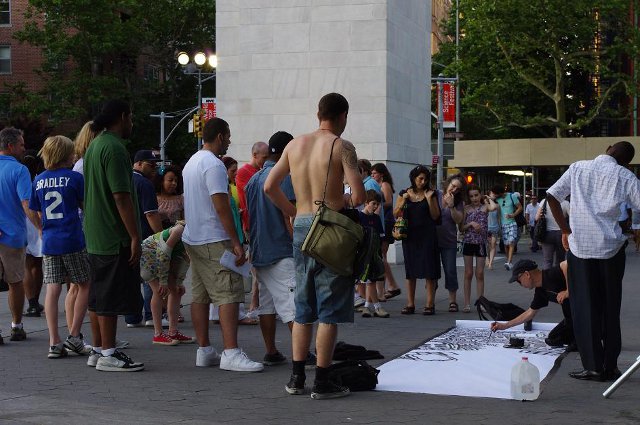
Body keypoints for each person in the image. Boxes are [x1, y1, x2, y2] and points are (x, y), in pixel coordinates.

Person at [264, 92, 365, 399]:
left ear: (318, 113)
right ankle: (322, 380)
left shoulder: (294, 145)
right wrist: (344, 199)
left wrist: (294, 213)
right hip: (331, 226)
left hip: (303, 225)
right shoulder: (341, 146)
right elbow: (359, 197)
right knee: (330, 308)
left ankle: (296, 378)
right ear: (343, 116)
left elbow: (270, 186)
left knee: (304, 305)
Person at [546, 141, 640, 382]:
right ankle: (611, 366)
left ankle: (594, 367)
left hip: (580, 249)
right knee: (610, 307)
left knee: (585, 309)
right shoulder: (625, 176)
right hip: (611, 250)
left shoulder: (578, 168)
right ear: (627, 162)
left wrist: (565, 230)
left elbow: (552, 196)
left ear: (608, 148)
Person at [182, 117, 263, 372]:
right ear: (219, 136)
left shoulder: (191, 162)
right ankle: (231, 352)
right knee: (228, 293)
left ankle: (204, 350)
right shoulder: (214, 165)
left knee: (201, 295)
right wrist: (236, 242)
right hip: (214, 237)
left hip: (194, 237)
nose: (229, 141)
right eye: (227, 137)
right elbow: (221, 204)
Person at [83, 99, 144, 372]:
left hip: (95, 234)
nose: (132, 122)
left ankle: (98, 349)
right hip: (112, 235)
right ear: (122, 117)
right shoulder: (116, 148)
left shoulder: (94, 145)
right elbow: (121, 196)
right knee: (108, 297)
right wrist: (133, 235)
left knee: (97, 296)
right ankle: (108, 352)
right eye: (130, 117)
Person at [246, 130, 307, 365]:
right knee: (292, 306)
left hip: (259, 251)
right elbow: (288, 217)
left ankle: (271, 351)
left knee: (267, 306)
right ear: (286, 152)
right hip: (281, 251)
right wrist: (301, 245)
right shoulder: (284, 178)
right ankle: (303, 354)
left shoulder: (253, 179)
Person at [28, 135, 91, 358]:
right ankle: (74, 335)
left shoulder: (39, 180)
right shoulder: (74, 178)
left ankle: (54, 341)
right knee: (83, 284)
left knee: (52, 288)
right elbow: (86, 206)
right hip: (72, 238)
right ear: (66, 154)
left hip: (50, 240)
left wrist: (40, 229)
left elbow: (35, 210)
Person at [0, 127, 36, 343]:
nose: (24, 148)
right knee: (15, 282)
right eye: (22, 145)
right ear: (11, 146)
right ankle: (16, 326)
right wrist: (40, 227)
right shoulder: (20, 170)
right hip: (12, 236)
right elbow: (26, 204)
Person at [491, 259, 574, 347]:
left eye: (519, 281)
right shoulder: (540, 290)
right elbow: (530, 313)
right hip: (572, 317)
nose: (520, 284)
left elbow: (566, 264)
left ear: (527, 274)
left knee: (575, 344)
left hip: (584, 312)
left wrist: (568, 291)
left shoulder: (550, 275)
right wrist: (505, 325)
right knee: (553, 338)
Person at [394, 165, 441, 316]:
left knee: (429, 269)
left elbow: (435, 216)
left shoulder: (431, 194)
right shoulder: (404, 193)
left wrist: (428, 200)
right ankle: (410, 303)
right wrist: (403, 202)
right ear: (413, 178)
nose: (423, 181)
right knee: (411, 270)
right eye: (420, 178)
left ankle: (429, 303)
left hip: (427, 235)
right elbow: (395, 214)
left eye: (425, 179)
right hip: (410, 236)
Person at [125, 150, 164, 328]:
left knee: (131, 279)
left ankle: (132, 316)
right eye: (150, 164)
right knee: (150, 277)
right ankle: (150, 314)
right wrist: (161, 236)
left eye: (156, 164)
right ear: (138, 163)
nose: (154, 168)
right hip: (145, 235)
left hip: (125, 235)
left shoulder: (124, 179)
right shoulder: (145, 184)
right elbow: (151, 214)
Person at [140, 221, 193, 345]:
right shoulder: (180, 229)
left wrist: (179, 282)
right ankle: (158, 334)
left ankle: (173, 332)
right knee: (158, 291)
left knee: (176, 291)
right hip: (150, 251)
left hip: (166, 256)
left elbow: (186, 258)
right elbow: (164, 253)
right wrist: (163, 281)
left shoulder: (197, 233)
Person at [460, 185, 497, 312]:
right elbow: (461, 228)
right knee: (468, 273)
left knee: (480, 273)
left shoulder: (485, 207)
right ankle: (466, 303)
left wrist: (487, 198)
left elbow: (494, 207)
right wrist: (470, 224)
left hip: (481, 243)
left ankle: (481, 302)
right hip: (469, 242)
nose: (474, 198)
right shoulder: (466, 208)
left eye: (476, 195)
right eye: (471, 196)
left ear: (480, 195)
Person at [371, 162, 401, 300]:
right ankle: (389, 286)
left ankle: (391, 286)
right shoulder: (378, 185)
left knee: (382, 255)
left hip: (387, 221)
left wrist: (376, 204)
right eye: (371, 173)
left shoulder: (384, 185)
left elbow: (388, 202)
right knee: (381, 256)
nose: (373, 175)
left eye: (374, 173)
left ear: (381, 174)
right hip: (385, 221)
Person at [435, 174, 465, 312]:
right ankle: (430, 300)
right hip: (433, 239)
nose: (454, 190)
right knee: (432, 272)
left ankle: (452, 301)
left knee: (451, 270)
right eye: (453, 186)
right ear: (447, 184)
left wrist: (452, 206)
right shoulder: (436, 194)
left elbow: (459, 220)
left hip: (449, 240)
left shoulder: (458, 202)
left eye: (457, 189)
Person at [358, 190, 388, 318]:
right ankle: (377, 307)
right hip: (364, 255)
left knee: (372, 280)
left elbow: (381, 237)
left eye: (377, 204)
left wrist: (381, 253)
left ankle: (366, 307)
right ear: (366, 203)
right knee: (370, 281)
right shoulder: (360, 217)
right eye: (373, 203)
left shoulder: (376, 219)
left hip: (375, 255)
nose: (375, 207)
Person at [22, 150, 45, 318]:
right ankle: (35, 301)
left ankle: (31, 303)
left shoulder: (21, 180)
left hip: (24, 223)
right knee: (38, 264)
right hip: (39, 222)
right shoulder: (39, 181)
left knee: (27, 266)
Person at [490, 185, 522, 270]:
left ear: (500, 193)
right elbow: (488, 201)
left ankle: (509, 261)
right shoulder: (497, 199)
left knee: (511, 242)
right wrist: (490, 197)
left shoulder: (512, 196)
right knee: (506, 244)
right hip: (503, 224)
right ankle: (508, 260)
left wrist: (513, 215)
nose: (495, 195)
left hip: (512, 223)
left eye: (496, 194)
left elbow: (520, 207)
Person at [535, 195, 569, 270]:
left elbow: (536, 218)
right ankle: (558, 279)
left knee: (547, 260)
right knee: (560, 259)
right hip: (561, 234)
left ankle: (547, 280)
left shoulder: (544, 201)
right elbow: (572, 218)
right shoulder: (565, 203)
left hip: (546, 234)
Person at [486, 191, 500, 270]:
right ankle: (488, 259)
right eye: (492, 194)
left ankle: (490, 263)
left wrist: (499, 226)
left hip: (495, 227)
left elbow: (498, 217)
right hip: (487, 228)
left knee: (493, 245)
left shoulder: (497, 206)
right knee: (488, 246)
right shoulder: (485, 205)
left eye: (494, 194)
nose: (494, 195)